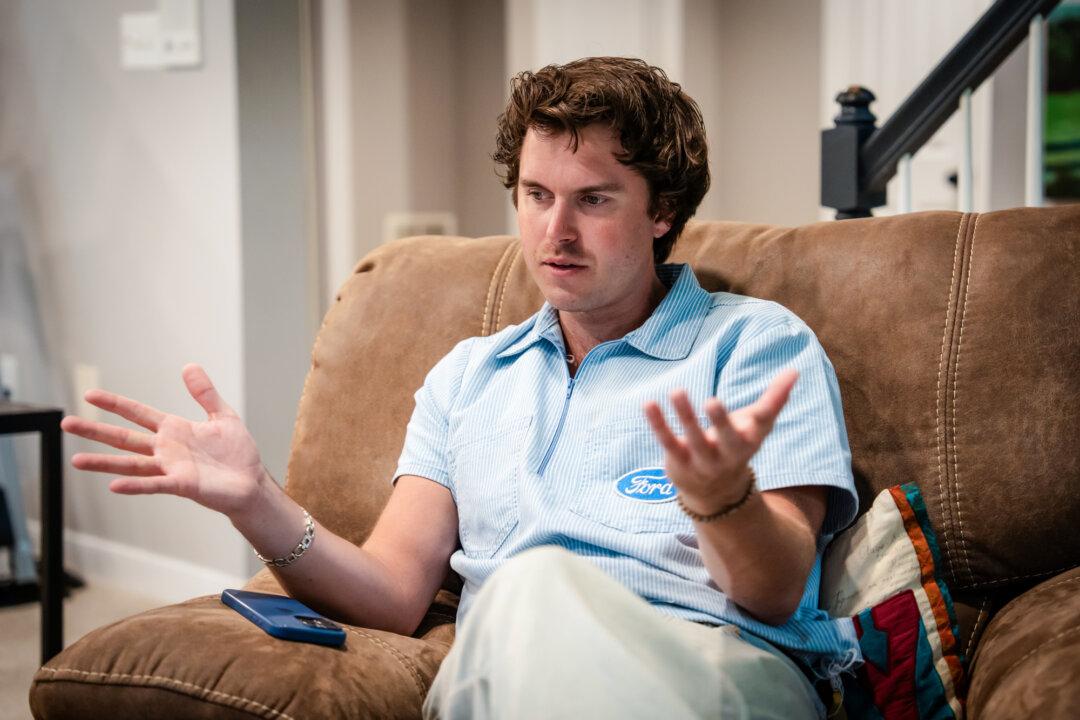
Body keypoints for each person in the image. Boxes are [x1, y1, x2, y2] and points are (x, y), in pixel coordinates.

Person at [62, 57, 860, 719]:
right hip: (507, 672)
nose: (555, 232)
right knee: (520, 605)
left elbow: (775, 590)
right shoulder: (469, 376)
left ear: (664, 211)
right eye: (537, 196)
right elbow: (391, 594)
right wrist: (254, 501)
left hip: (713, 669)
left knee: (531, 586)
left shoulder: (755, 345)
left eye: (593, 200)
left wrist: (723, 502)